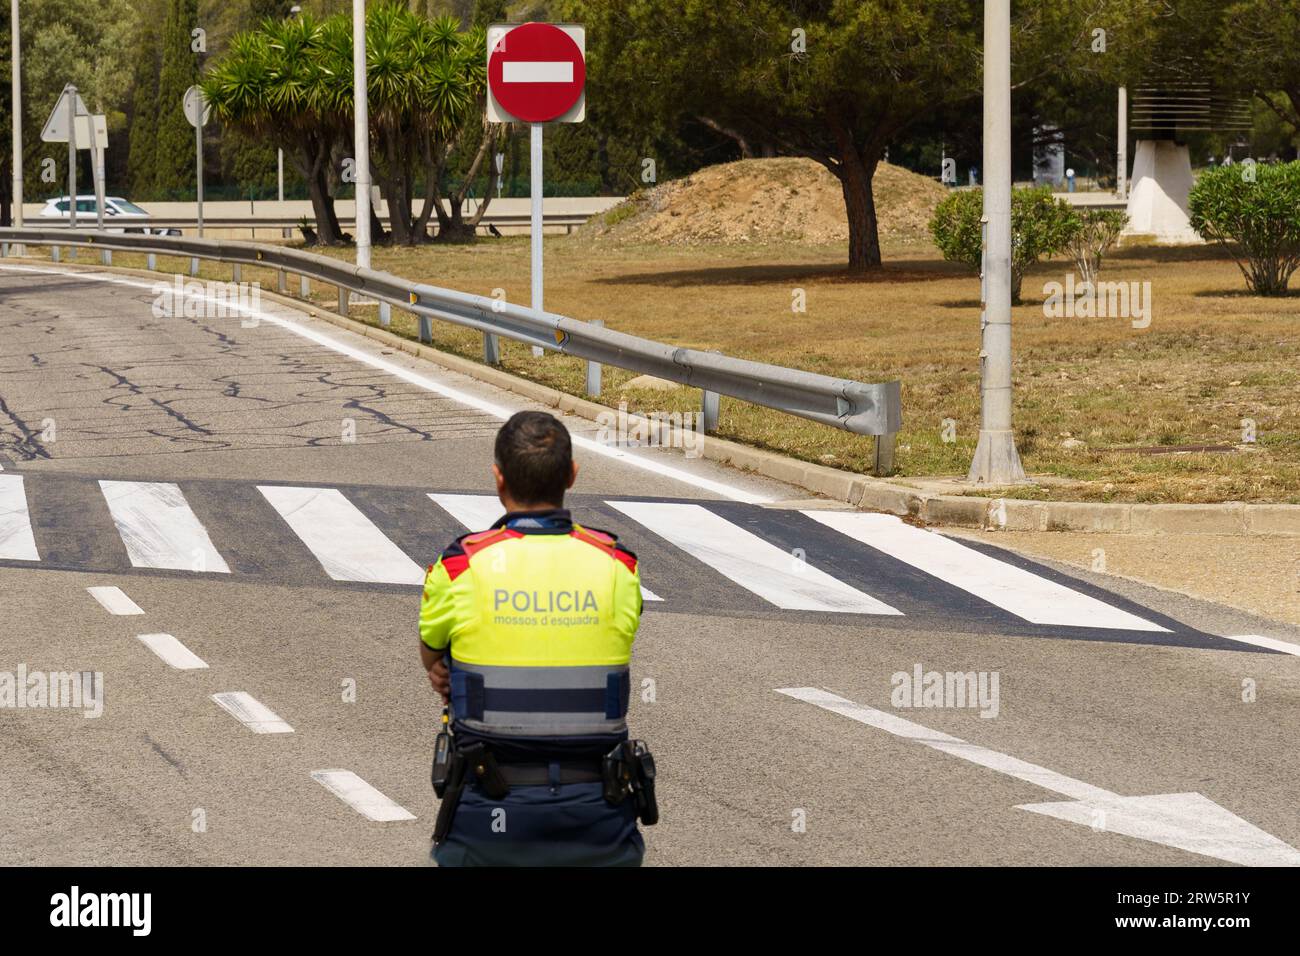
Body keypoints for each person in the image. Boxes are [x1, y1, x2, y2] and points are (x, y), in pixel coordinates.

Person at [419, 410, 655, 867]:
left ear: (497, 478)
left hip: (489, 812)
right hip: (598, 815)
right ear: (571, 475)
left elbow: (432, 650)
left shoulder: (459, 567)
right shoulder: (618, 565)